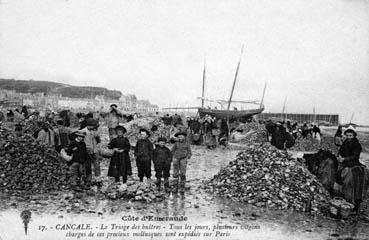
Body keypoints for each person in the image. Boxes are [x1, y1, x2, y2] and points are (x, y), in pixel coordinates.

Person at [335, 126, 363, 211]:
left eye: (350, 135)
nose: (349, 137)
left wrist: (345, 159)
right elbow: (340, 151)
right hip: (344, 162)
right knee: (337, 174)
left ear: (354, 136)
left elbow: (355, 156)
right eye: (347, 135)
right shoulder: (345, 142)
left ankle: (353, 200)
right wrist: (339, 156)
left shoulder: (357, 144)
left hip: (353, 162)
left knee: (349, 178)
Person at [82, 118, 102, 187]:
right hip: (87, 151)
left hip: (95, 150)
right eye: (93, 125)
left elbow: (99, 140)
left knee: (97, 165)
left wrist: (98, 138)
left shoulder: (95, 131)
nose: (94, 127)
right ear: (89, 125)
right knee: (88, 166)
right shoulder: (83, 131)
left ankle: (98, 179)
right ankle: (88, 180)